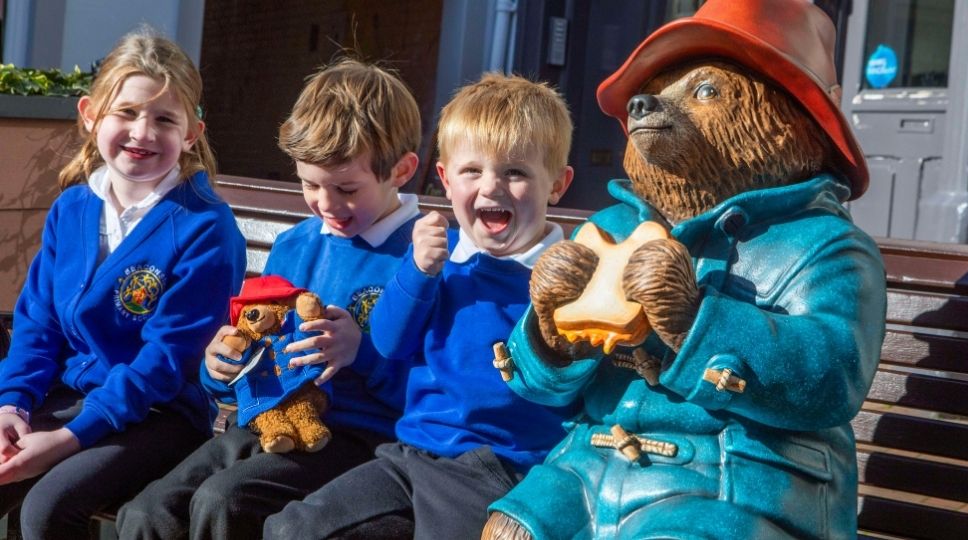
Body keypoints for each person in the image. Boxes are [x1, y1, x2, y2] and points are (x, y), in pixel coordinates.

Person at [116, 58, 424, 539]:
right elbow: (252, 342)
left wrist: (360, 353)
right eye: (309, 184)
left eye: (346, 188)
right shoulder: (294, 244)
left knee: (225, 501)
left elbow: (432, 385)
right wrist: (218, 368)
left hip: (356, 437)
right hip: (261, 421)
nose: (326, 204)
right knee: (147, 512)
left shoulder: (418, 259)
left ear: (402, 171)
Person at [262, 72, 575, 539]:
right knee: (294, 529)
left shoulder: (563, 279)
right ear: (446, 180)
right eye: (472, 171)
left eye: (515, 172)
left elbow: (572, 388)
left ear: (556, 184)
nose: (491, 188)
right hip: (410, 452)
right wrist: (417, 271)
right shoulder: (442, 259)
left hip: (496, 466)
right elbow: (390, 343)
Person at [0, 28, 246, 538]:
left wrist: (68, 438)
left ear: (192, 133)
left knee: (47, 508)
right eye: (127, 113)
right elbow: (37, 327)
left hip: (156, 413)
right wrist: (12, 404)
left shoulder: (204, 228)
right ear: (90, 115)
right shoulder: (72, 208)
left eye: (164, 119)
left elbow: (165, 363)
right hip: (68, 394)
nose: (143, 132)